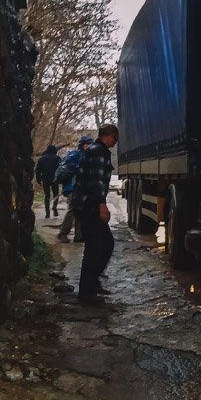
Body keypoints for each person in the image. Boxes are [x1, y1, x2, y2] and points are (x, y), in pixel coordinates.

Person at [73, 123, 119, 303]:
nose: (115, 142)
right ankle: (86, 292)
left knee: (104, 244)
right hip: (89, 206)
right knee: (95, 247)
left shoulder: (94, 150)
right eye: (115, 138)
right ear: (109, 136)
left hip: (86, 205)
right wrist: (102, 205)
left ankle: (92, 283)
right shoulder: (98, 152)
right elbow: (96, 181)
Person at [56, 136, 92, 242]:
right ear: (83, 144)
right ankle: (63, 233)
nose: (90, 146)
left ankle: (79, 235)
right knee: (73, 210)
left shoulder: (84, 155)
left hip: (79, 187)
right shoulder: (76, 154)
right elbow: (67, 165)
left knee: (80, 211)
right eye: (88, 144)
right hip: (73, 187)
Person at [34, 145, 62, 218]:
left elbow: (38, 171)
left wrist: (38, 180)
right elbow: (61, 168)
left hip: (45, 179)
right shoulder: (57, 158)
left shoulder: (42, 159)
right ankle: (54, 207)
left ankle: (47, 213)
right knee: (56, 194)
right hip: (54, 179)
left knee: (47, 195)